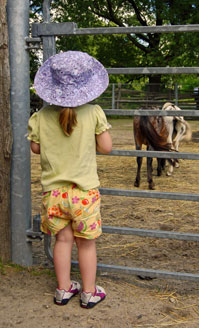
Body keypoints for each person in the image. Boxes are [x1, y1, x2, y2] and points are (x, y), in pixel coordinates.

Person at [28, 51, 112, 308]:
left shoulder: (40, 117)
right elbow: (106, 147)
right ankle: (88, 292)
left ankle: (63, 290)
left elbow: (35, 149)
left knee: (62, 241)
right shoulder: (94, 112)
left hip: (53, 193)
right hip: (84, 193)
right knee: (86, 245)